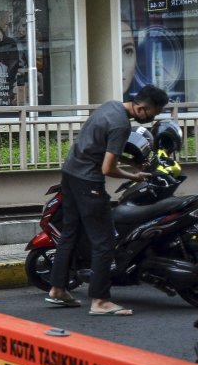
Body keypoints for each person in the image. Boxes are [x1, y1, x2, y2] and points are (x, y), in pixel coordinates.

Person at [46, 85, 168, 316]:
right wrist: (134, 175)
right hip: (89, 183)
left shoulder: (110, 106)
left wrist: (131, 161)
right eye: (153, 113)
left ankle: (57, 289)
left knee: (69, 234)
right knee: (103, 241)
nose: (153, 117)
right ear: (141, 109)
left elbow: (101, 147)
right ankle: (100, 301)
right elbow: (107, 168)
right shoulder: (122, 125)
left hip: (70, 174)